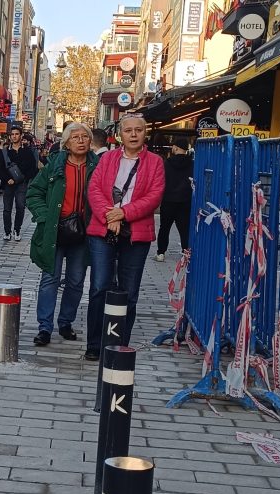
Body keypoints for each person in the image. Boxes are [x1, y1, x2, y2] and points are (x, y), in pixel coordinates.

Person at [85, 114, 165, 361]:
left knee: (129, 291)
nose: (133, 134)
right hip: (104, 229)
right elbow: (94, 189)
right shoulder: (107, 158)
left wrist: (124, 213)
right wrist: (111, 216)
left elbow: (154, 196)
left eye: (138, 130)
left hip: (136, 234)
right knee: (99, 286)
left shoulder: (155, 162)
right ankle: (95, 342)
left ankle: (119, 343)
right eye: (128, 130)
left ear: (144, 133)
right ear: (120, 134)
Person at [26, 122, 99, 347]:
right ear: (66, 142)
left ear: (90, 141)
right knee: (50, 279)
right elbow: (33, 193)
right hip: (54, 231)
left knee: (76, 281)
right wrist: (45, 216)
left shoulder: (98, 166)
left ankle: (65, 322)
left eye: (84, 137)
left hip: (83, 233)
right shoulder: (54, 165)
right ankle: (44, 328)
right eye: (75, 137)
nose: (80, 141)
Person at [155, 137, 193, 262]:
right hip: (185, 200)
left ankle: (161, 253)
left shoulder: (167, 163)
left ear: (175, 147)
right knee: (184, 228)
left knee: (164, 227)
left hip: (169, 200)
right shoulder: (192, 163)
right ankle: (185, 251)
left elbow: (161, 181)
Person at [0, 126, 37, 241]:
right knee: (7, 209)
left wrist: (24, 178)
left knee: (20, 207)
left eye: (16, 134)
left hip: (22, 184)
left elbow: (32, 168)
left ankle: (17, 230)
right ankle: (7, 231)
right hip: (8, 184)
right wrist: (7, 179)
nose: (14, 136)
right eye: (12, 134)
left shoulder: (27, 151)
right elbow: (0, 168)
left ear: (21, 136)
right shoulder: (5, 152)